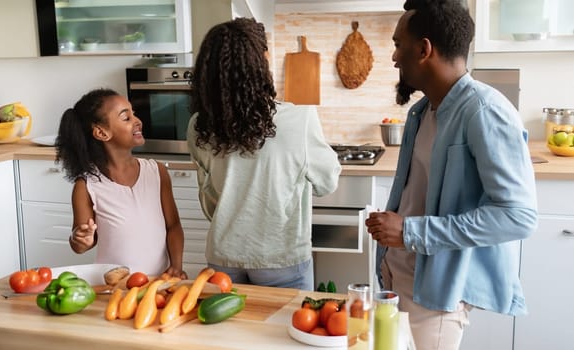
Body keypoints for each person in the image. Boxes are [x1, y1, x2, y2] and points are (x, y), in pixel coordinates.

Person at [365, 1, 538, 349]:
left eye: (399, 45)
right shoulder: (421, 111)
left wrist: (410, 231)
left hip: (436, 293)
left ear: (424, 49)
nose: (394, 58)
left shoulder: (485, 111)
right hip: (398, 277)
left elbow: (518, 216)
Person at [187, 18, 341, 291]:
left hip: (224, 256)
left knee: (230, 333)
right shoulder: (299, 117)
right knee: (283, 332)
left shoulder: (198, 125)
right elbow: (326, 182)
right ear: (262, 61)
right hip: (281, 258)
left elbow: (209, 198)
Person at [55, 88, 187, 279]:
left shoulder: (156, 172)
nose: (138, 121)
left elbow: (173, 225)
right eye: (126, 118)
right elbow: (80, 245)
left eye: (134, 113)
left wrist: (176, 265)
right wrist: (80, 239)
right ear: (101, 133)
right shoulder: (87, 186)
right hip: (113, 286)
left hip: (158, 283)